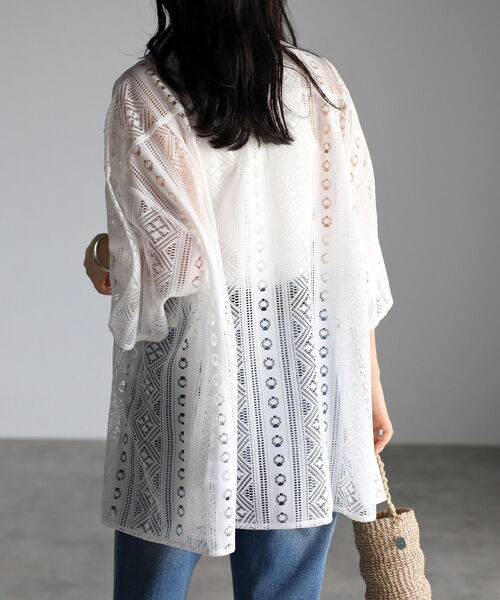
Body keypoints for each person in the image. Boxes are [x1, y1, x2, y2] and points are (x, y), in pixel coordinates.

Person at [83, 1, 394, 598]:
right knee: (284, 584)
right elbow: (350, 255)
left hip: (186, 364)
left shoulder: (146, 92)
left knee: (154, 577)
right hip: (301, 365)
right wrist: (369, 384)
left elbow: (173, 266)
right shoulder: (319, 84)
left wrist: (102, 252)